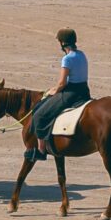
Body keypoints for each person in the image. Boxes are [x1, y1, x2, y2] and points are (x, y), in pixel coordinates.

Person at [25, 27, 90, 159]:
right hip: (84, 91)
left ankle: (42, 150)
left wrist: (53, 91)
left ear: (62, 43)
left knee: (39, 115)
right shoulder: (82, 54)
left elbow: (62, 83)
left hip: (71, 93)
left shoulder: (67, 59)